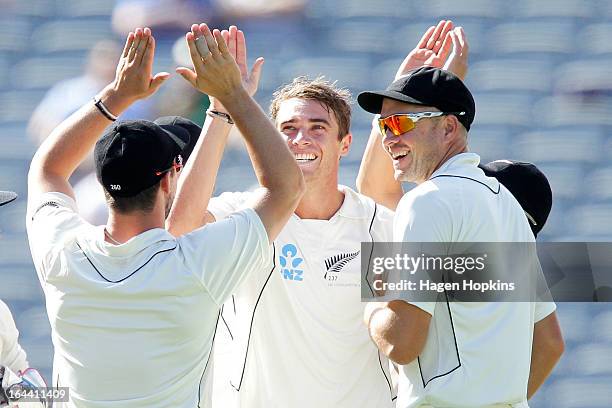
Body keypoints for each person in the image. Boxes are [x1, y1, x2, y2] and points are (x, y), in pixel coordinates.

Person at [26, 24, 304, 408]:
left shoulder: (62, 253)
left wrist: (117, 94)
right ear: (170, 181)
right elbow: (287, 186)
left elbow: (48, 168)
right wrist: (231, 95)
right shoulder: (195, 263)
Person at [166, 25, 397, 408]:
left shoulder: (380, 226)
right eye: (288, 129)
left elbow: (502, 280)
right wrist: (221, 109)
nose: (300, 139)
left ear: (345, 144)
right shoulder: (247, 215)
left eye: (317, 128)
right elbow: (180, 229)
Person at [355, 22, 564, 408]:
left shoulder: (428, 201)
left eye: (400, 123)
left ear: (449, 127)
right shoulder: (505, 203)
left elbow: (402, 342)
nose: (388, 138)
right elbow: (550, 341)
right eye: (383, 125)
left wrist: (371, 302)